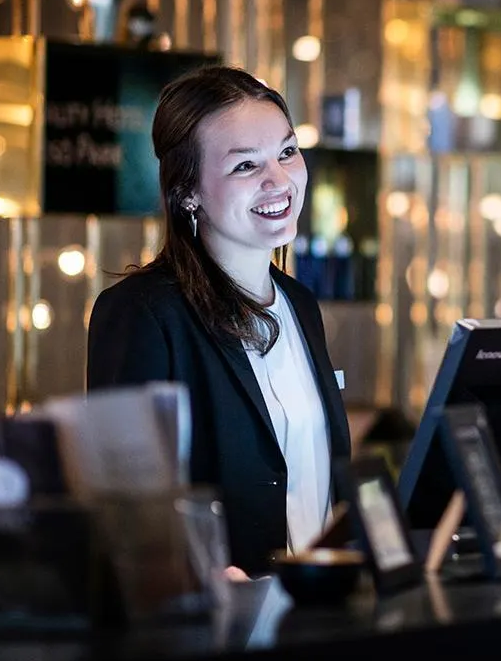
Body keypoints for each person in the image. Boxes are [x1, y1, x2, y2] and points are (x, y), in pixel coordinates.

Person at [87, 65, 351, 575]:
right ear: (188, 192)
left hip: (316, 618)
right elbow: (122, 504)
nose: (279, 181)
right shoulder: (142, 312)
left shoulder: (301, 306)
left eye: (288, 152)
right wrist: (198, 572)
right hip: (216, 630)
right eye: (245, 166)